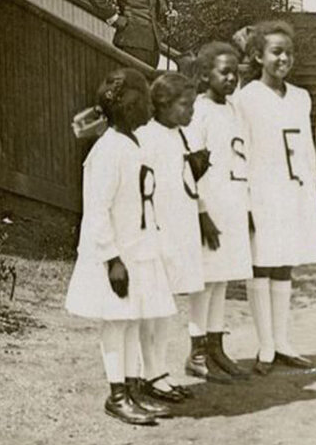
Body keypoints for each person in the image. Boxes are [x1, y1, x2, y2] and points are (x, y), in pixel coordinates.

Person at [64, 68, 180, 425]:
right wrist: (113, 259)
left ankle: (132, 388)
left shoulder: (134, 144)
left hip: (136, 249)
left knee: (131, 321)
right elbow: (97, 211)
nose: (148, 103)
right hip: (113, 255)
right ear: (124, 105)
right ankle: (117, 395)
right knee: (116, 323)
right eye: (141, 97)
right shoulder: (108, 150)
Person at [235, 20, 316, 374]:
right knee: (262, 262)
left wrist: (315, 187)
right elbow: (241, 152)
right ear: (258, 56)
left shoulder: (301, 97)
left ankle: (283, 340)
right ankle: (265, 345)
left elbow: (306, 147)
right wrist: (244, 201)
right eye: (276, 53)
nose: (283, 59)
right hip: (262, 191)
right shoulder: (246, 99)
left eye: (288, 53)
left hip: (294, 190)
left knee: (285, 261)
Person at [182, 42, 253, 382]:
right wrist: (200, 213)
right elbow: (190, 168)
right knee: (205, 280)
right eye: (223, 72)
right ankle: (196, 352)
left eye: (235, 73)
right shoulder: (199, 112)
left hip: (233, 203)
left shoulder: (236, 110)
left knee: (222, 277)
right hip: (209, 206)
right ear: (205, 74)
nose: (230, 78)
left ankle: (215, 346)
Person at [135, 72, 209, 392]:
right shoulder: (145, 137)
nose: (191, 111)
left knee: (166, 305)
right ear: (162, 104)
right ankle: (145, 370)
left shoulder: (181, 136)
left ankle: (159, 369)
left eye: (193, 104)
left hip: (181, 228)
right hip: (156, 230)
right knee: (151, 303)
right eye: (185, 104)